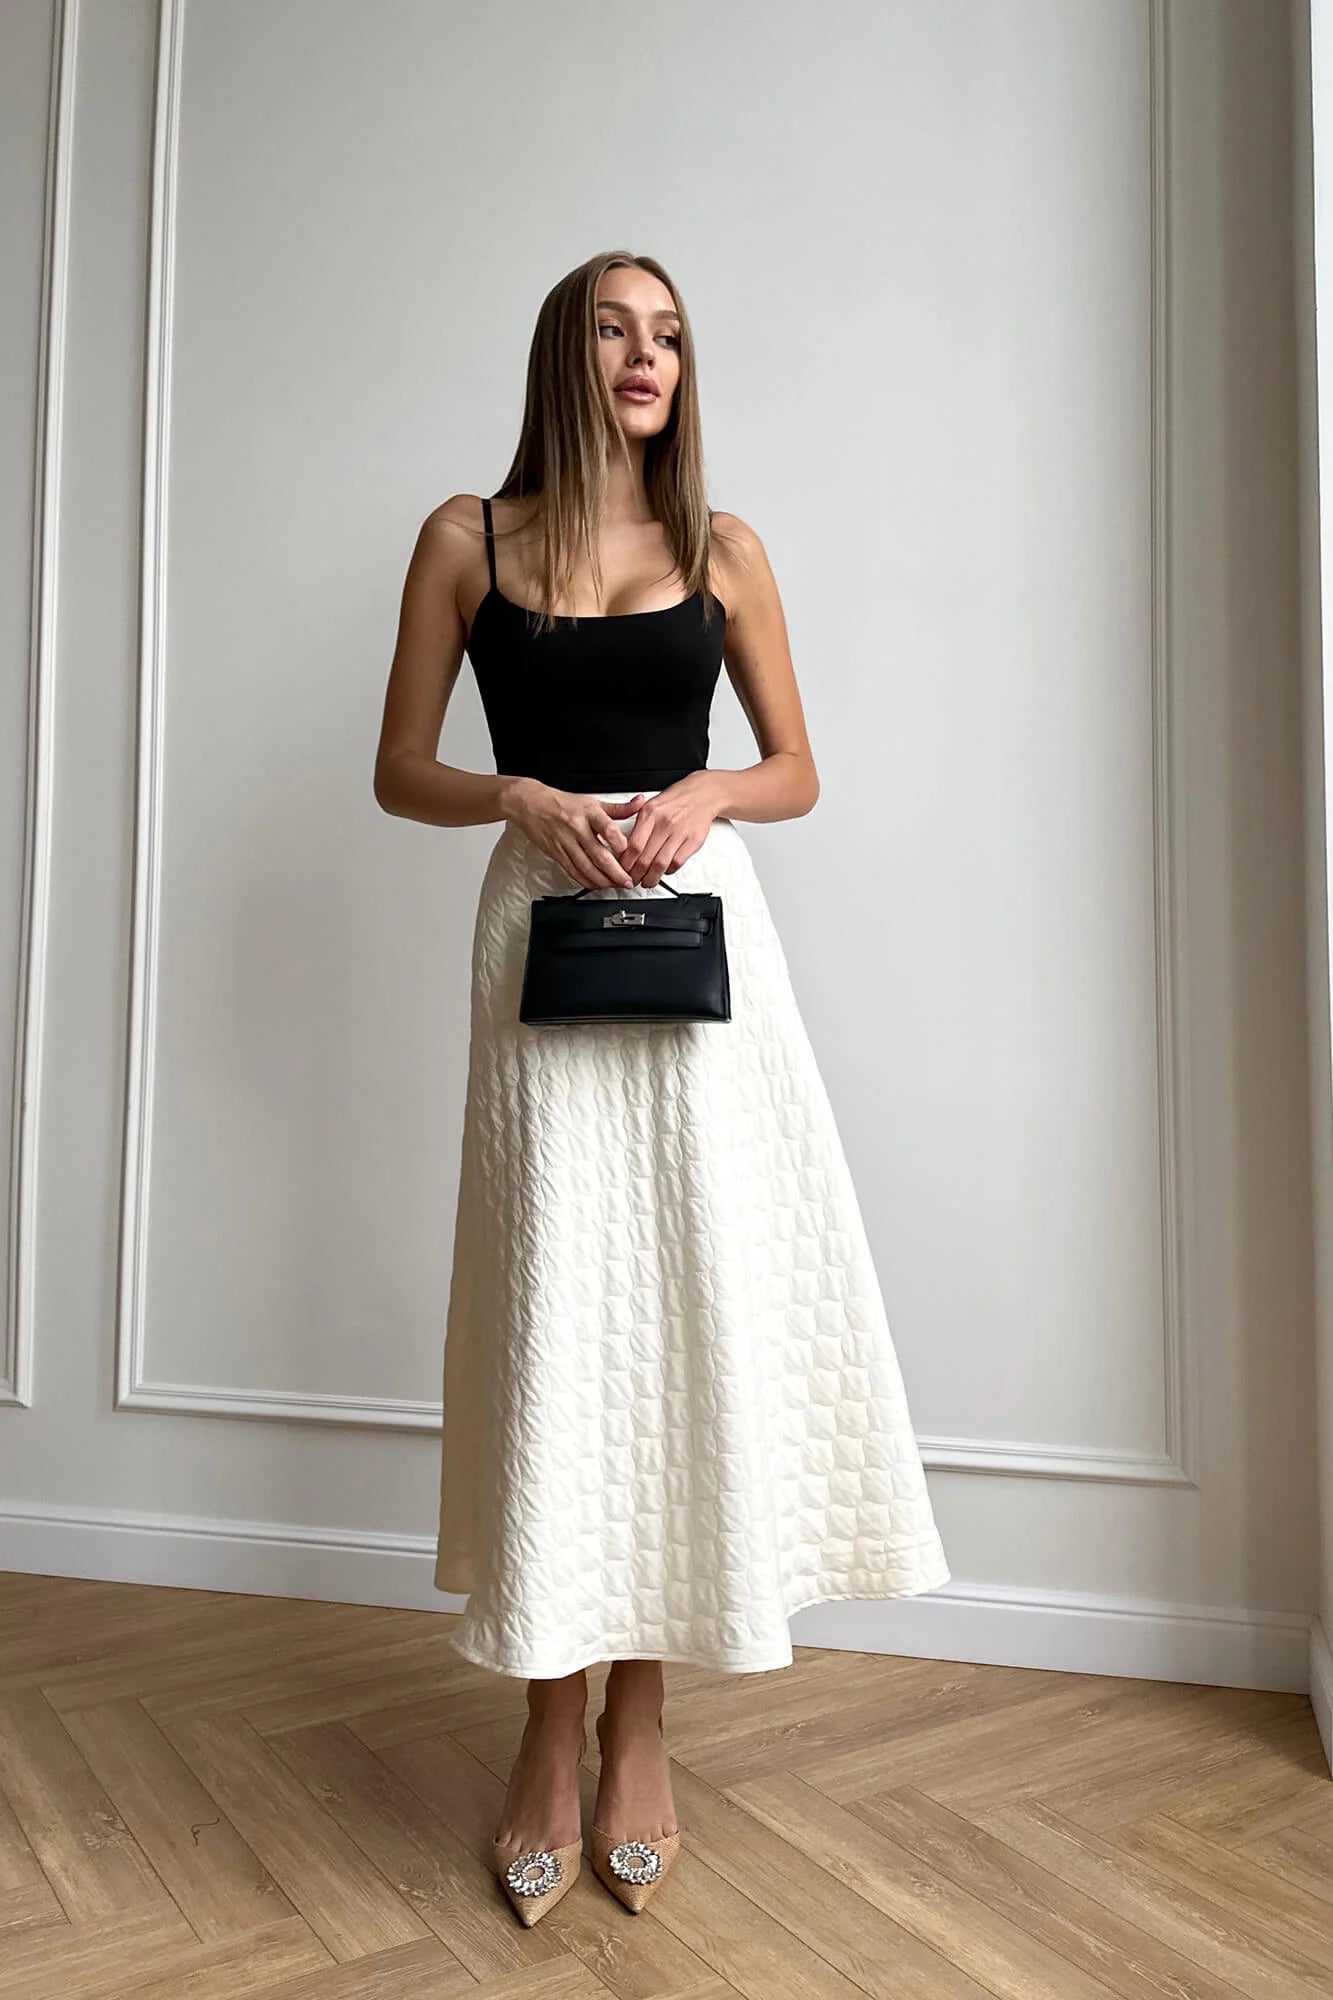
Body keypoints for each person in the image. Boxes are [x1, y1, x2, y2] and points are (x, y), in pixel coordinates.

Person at [373, 249, 950, 1926]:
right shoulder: (465, 540)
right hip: (538, 939)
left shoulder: (722, 547)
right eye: (618, 331)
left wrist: (706, 791)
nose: (648, 357)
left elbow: (799, 769)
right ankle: (544, 1721)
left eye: (672, 336)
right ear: (565, 354)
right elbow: (398, 769)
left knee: (687, 1303)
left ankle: (640, 1720)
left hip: (704, 945)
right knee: (559, 1312)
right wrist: (520, 797)